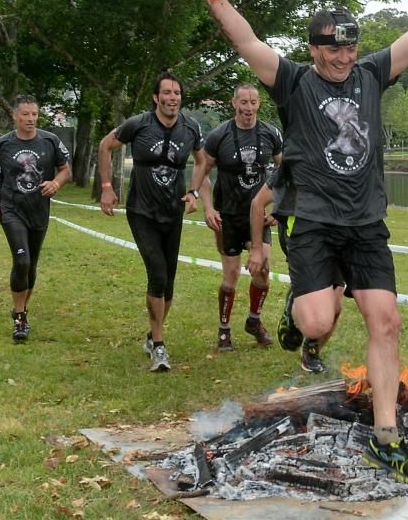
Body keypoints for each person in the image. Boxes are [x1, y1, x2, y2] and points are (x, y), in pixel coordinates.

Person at [192, 0, 408, 483]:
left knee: (387, 320)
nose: (343, 56)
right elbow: (247, 41)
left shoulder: (374, 74)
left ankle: (386, 437)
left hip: (365, 225)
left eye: (349, 46)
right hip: (312, 223)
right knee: (317, 322)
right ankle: (301, 307)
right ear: (313, 49)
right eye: (332, 48)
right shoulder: (292, 82)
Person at [98, 72, 209, 372]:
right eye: (167, 93)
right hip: (142, 212)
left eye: (177, 93)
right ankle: (159, 345)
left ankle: (152, 335)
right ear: (156, 97)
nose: (173, 98)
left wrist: (194, 191)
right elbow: (105, 146)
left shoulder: (191, 128)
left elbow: (202, 161)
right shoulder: (139, 124)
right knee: (157, 274)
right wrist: (107, 188)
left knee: (169, 284)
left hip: (172, 213)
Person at [193, 83, 283, 352]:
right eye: (243, 102)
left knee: (263, 269)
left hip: (259, 215)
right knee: (231, 274)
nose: (248, 108)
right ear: (234, 103)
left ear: (258, 104)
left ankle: (254, 320)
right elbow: (202, 170)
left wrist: (279, 207)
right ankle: (224, 330)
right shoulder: (219, 135)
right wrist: (208, 207)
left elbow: (286, 172)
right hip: (228, 214)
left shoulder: (270, 134)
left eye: (253, 102)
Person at [0, 95, 72, 343]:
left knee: (31, 265)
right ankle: (20, 317)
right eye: (25, 114)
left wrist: (56, 183)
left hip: (39, 210)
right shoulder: (3, 144)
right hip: (11, 209)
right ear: (15, 116)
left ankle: (21, 307)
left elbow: (65, 170)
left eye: (34, 114)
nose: (30, 119)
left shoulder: (50, 141)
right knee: (21, 261)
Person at [247, 163, 345, 373]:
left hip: (337, 234)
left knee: (336, 305)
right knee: (318, 297)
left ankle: (312, 351)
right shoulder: (298, 157)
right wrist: (256, 248)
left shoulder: (344, 159)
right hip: (301, 235)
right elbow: (258, 202)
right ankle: (297, 304)